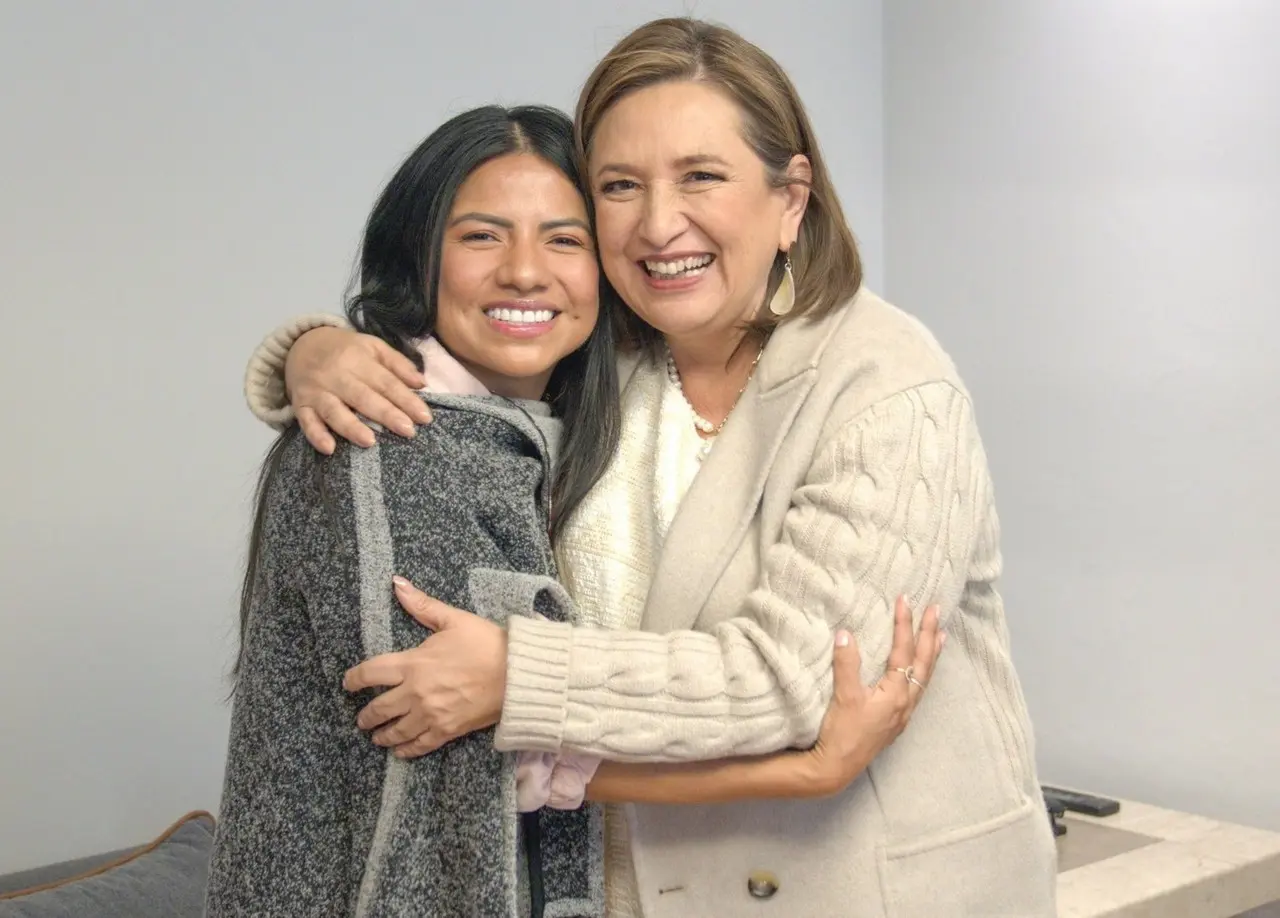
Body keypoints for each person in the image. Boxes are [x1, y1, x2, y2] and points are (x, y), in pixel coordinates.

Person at [236, 17, 1052, 918]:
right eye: (621, 186)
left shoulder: (888, 387)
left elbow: (790, 682)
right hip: (645, 890)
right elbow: (467, 356)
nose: (661, 223)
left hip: (868, 890)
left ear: (791, 198)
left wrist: (519, 677)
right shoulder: (600, 363)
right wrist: (313, 352)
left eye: (701, 175)